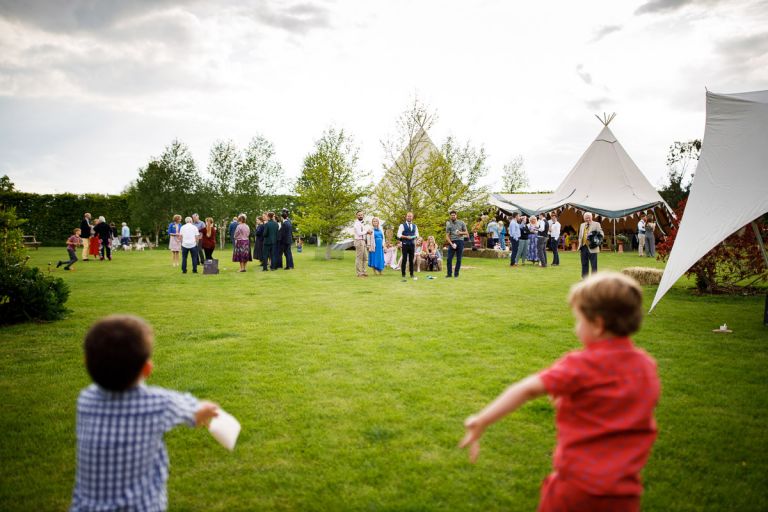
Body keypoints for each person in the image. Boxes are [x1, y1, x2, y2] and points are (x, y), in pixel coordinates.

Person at [460, 273, 659, 512]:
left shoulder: (581, 365)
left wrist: (482, 420)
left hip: (575, 491)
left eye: (579, 321)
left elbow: (526, 389)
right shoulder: (646, 367)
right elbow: (618, 406)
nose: (576, 329)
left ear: (597, 324)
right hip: (623, 495)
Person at [70, 315, 219, 512]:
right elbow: (197, 410)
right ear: (147, 368)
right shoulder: (157, 404)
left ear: (86, 362)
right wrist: (207, 408)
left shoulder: (85, 400)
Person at [577, 212, 604, 278]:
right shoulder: (582, 225)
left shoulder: (596, 224)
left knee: (593, 265)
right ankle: (584, 279)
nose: (587, 219)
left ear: (592, 217)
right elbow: (580, 236)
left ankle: (594, 280)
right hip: (583, 247)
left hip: (592, 247)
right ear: (584, 218)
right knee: (584, 264)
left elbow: (601, 234)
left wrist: (595, 237)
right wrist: (579, 245)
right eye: (586, 218)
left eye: (589, 218)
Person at [445, 210, 468, 278]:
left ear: (456, 215)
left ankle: (456, 274)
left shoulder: (461, 222)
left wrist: (460, 233)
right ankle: (449, 274)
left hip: (460, 241)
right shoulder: (449, 225)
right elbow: (447, 236)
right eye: (451, 215)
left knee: (459, 259)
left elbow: (466, 233)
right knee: (449, 259)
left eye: (454, 215)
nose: (453, 216)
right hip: (452, 242)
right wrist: (451, 244)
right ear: (450, 216)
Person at [397, 212, 419, 281]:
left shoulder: (415, 226)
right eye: (408, 216)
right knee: (404, 259)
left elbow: (417, 235)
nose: (409, 217)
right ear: (406, 217)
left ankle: (412, 274)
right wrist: (406, 237)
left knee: (411, 260)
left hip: (412, 244)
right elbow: (399, 234)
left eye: (410, 216)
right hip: (405, 244)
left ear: (412, 217)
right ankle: (403, 274)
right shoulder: (402, 225)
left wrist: (412, 237)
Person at [353, 210, 368, 278]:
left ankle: (364, 271)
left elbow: (363, 232)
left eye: (361, 215)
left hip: (363, 241)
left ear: (363, 215)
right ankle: (359, 273)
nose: (360, 216)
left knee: (365, 257)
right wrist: (367, 231)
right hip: (358, 241)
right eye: (359, 215)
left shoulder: (362, 223)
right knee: (359, 258)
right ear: (356, 216)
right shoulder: (356, 223)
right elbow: (359, 233)